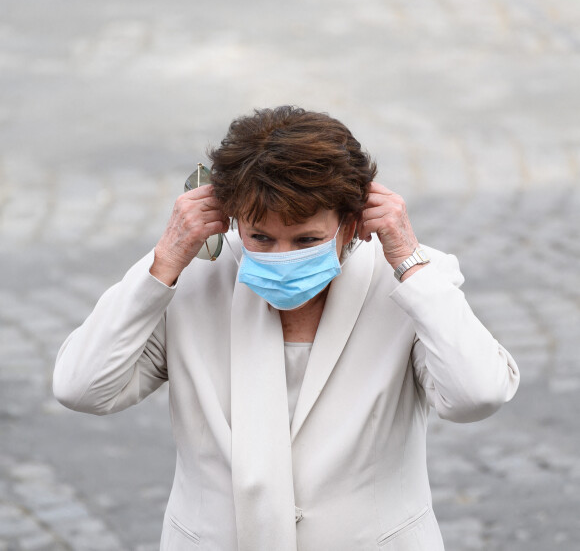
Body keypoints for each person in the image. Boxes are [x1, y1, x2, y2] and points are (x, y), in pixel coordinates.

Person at [53, 106, 520, 551]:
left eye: (307, 240)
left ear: (351, 223)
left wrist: (409, 261)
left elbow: (476, 394)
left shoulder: (412, 280)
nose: (281, 257)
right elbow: (83, 388)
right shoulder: (190, 279)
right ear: (232, 218)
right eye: (261, 237)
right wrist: (163, 264)